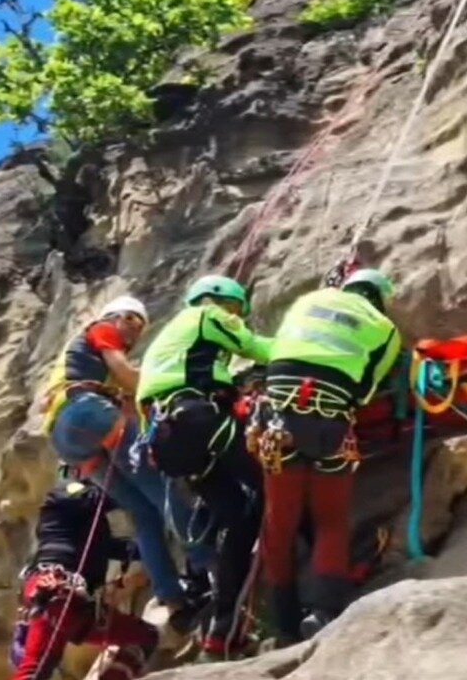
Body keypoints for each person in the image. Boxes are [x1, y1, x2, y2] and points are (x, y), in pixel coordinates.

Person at [43, 296, 216, 634]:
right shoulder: (102, 329)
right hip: (86, 412)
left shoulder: (76, 361)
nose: (134, 334)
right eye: (133, 323)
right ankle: (206, 563)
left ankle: (172, 598)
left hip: (66, 438)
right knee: (162, 488)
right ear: (117, 316)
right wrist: (160, 389)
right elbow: (124, 372)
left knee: (143, 513)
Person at [248, 268, 401, 644]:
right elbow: (365, 391)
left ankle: (284, 621)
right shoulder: (385, 328)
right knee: (331, 520)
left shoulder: (308, 301)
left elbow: (278, 351)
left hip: (278, 422)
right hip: (330, 425)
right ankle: (324, 612)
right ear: (380, 299)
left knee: (279, 524)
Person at [134, 275, 274, 660]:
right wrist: (300, 348)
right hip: (196, 419)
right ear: (220, 300)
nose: (236, 317)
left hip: (167, 444)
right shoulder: (208, 314)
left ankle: (222, 628)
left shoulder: (167, 344)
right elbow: (259, 348)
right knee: (271, 484)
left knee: (238, 519)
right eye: (236, 309)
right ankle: (299, 592)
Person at [9, 477, 159, 680]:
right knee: (35, 670)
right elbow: (90, 497)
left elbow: (117, 548)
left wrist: (156, 547)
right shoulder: (63, 493)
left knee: (145, 637)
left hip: (72, 605)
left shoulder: (90, 529)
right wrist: (137, 487)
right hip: (56, 590)